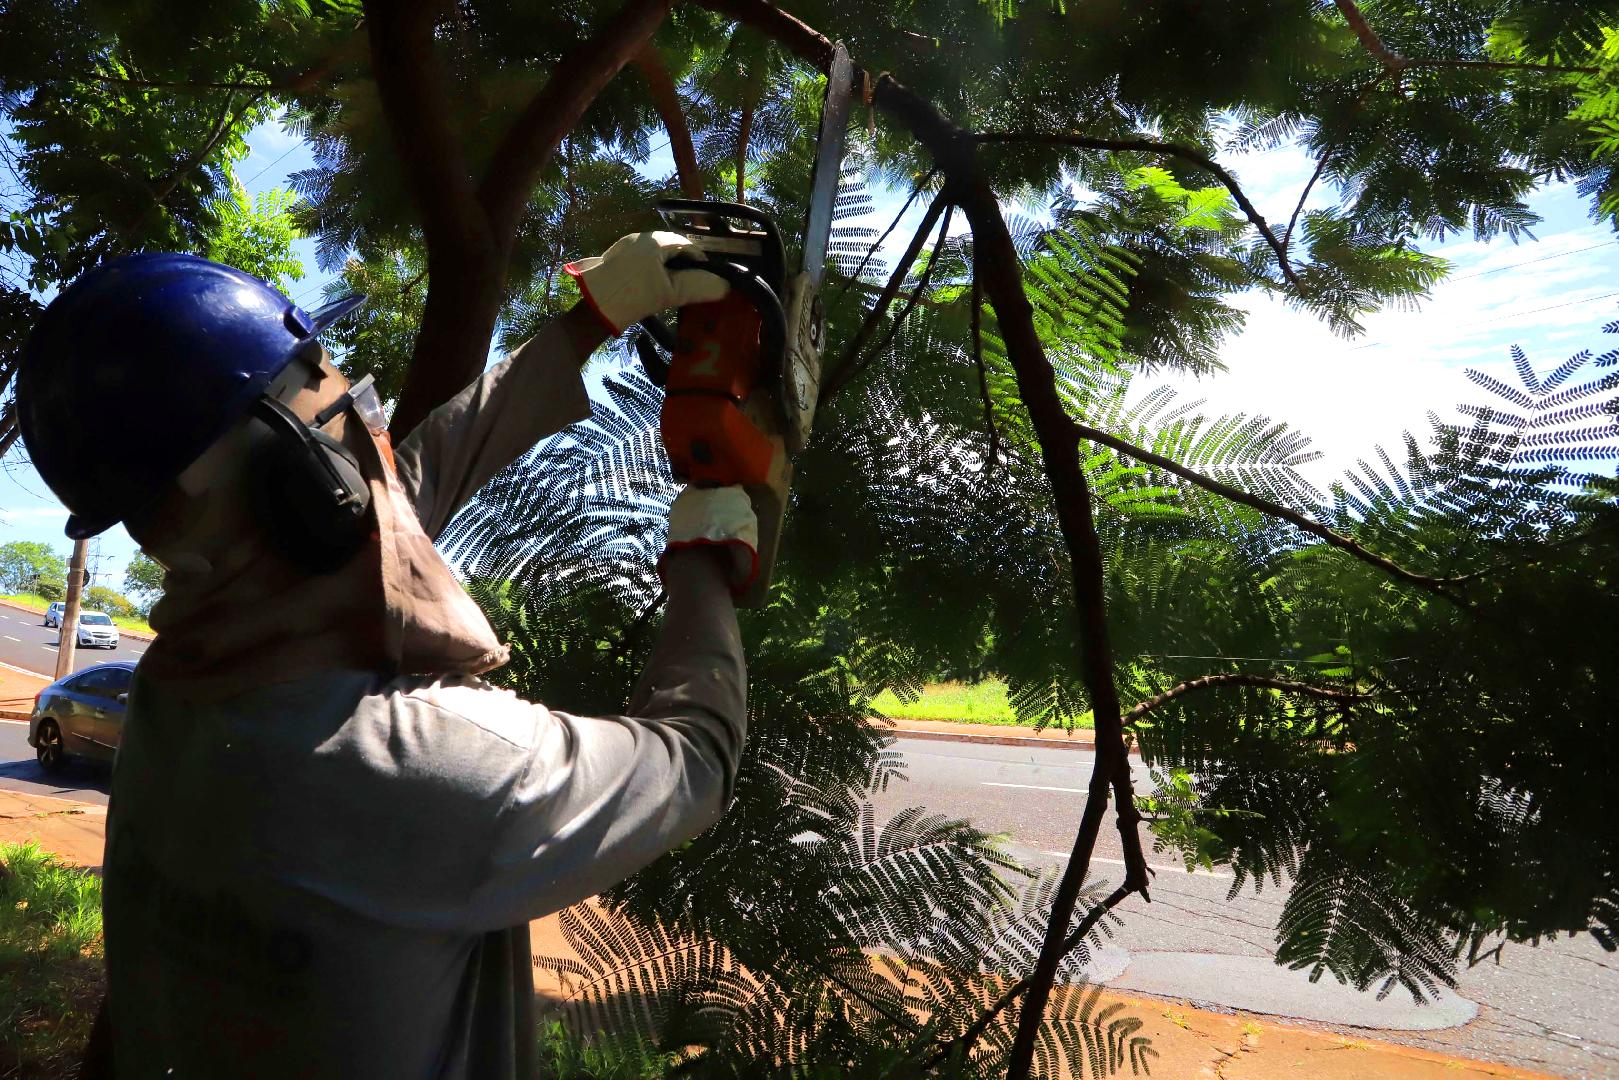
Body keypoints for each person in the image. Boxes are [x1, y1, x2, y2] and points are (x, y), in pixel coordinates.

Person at [15, 237, 756, 1078]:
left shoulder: (175, 694)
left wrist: (584, 326)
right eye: (343, 410)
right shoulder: (430, 764)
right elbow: (694, 761)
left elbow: (406, 486)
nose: (372, 433)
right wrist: (705, 544)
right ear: (303, 476)